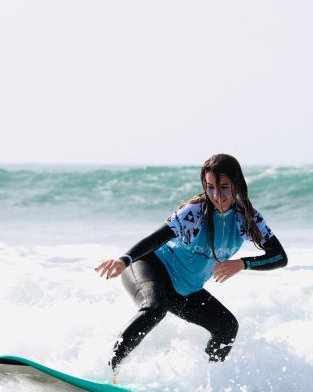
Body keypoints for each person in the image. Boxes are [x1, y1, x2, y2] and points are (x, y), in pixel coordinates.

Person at [95, 153, 288, 379]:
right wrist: (124, 259)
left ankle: (207, 381)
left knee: (227, 327)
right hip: (148, 266)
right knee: (155, 307)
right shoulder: (195, 212)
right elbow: (156, 239)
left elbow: (279, 256)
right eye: (210, 187)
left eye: (224, 187)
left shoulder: (247, 219)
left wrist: (243, 264)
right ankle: (110, 371)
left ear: (236, 184)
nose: (217, 195)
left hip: (184, 289)